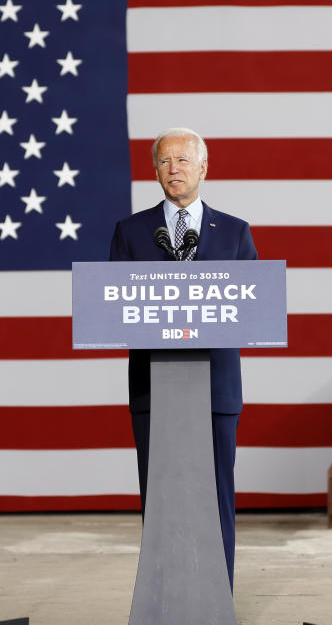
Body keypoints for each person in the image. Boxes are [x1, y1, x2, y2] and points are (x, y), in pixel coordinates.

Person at [108, 127, 257, 588]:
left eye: (183, 160)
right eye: (165, 161)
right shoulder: (130, 231)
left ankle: (218, 598)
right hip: (155, 388)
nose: (174, 169)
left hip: (215, 388)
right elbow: (113, 309)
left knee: (216, 497)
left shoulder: (234, 233)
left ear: (203, 167)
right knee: (161, 499)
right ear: (154, 170)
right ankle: (164, 597)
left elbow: (253, 308)